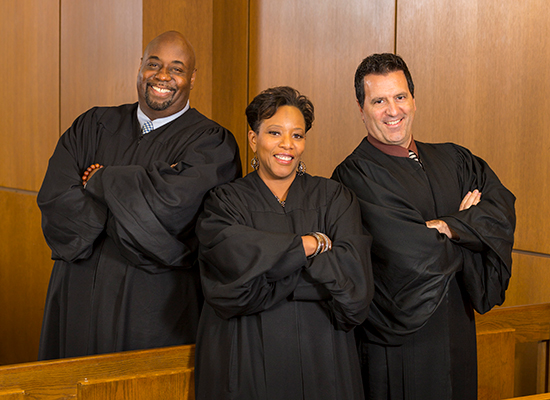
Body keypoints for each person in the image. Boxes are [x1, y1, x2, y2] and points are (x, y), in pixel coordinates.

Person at [37, 31, 241, 360]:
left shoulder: (211, 143)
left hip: (154, 311)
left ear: (192, 77)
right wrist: (131, 206)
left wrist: (101, 180)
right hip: (75, 301)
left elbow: (174, 214)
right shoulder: (92, 124)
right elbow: (56, 199)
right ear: (140, 67)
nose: (162, 76)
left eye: (176, 68)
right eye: (153, 64)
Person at [332, 53, 516, 399]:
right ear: (361, 109)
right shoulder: (354, 175)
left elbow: (502, 211)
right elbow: (408, 252)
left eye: (400, 97)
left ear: (413, 100)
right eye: (379, 101)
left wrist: (449, 225)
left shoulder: (454, 158)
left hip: (458, 329)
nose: (393, 110)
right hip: (399, 342)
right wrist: (469, 230)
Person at [194, 86, 374, 399]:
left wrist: (269, 265)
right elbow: (229, 290)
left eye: (297, 135)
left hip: (324, 358)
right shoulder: (224, 203)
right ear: (253, 139)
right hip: (245, 358)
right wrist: (309, 246)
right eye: (275, 133)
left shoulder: (334, 198)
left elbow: (355, 289)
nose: (287, 145)